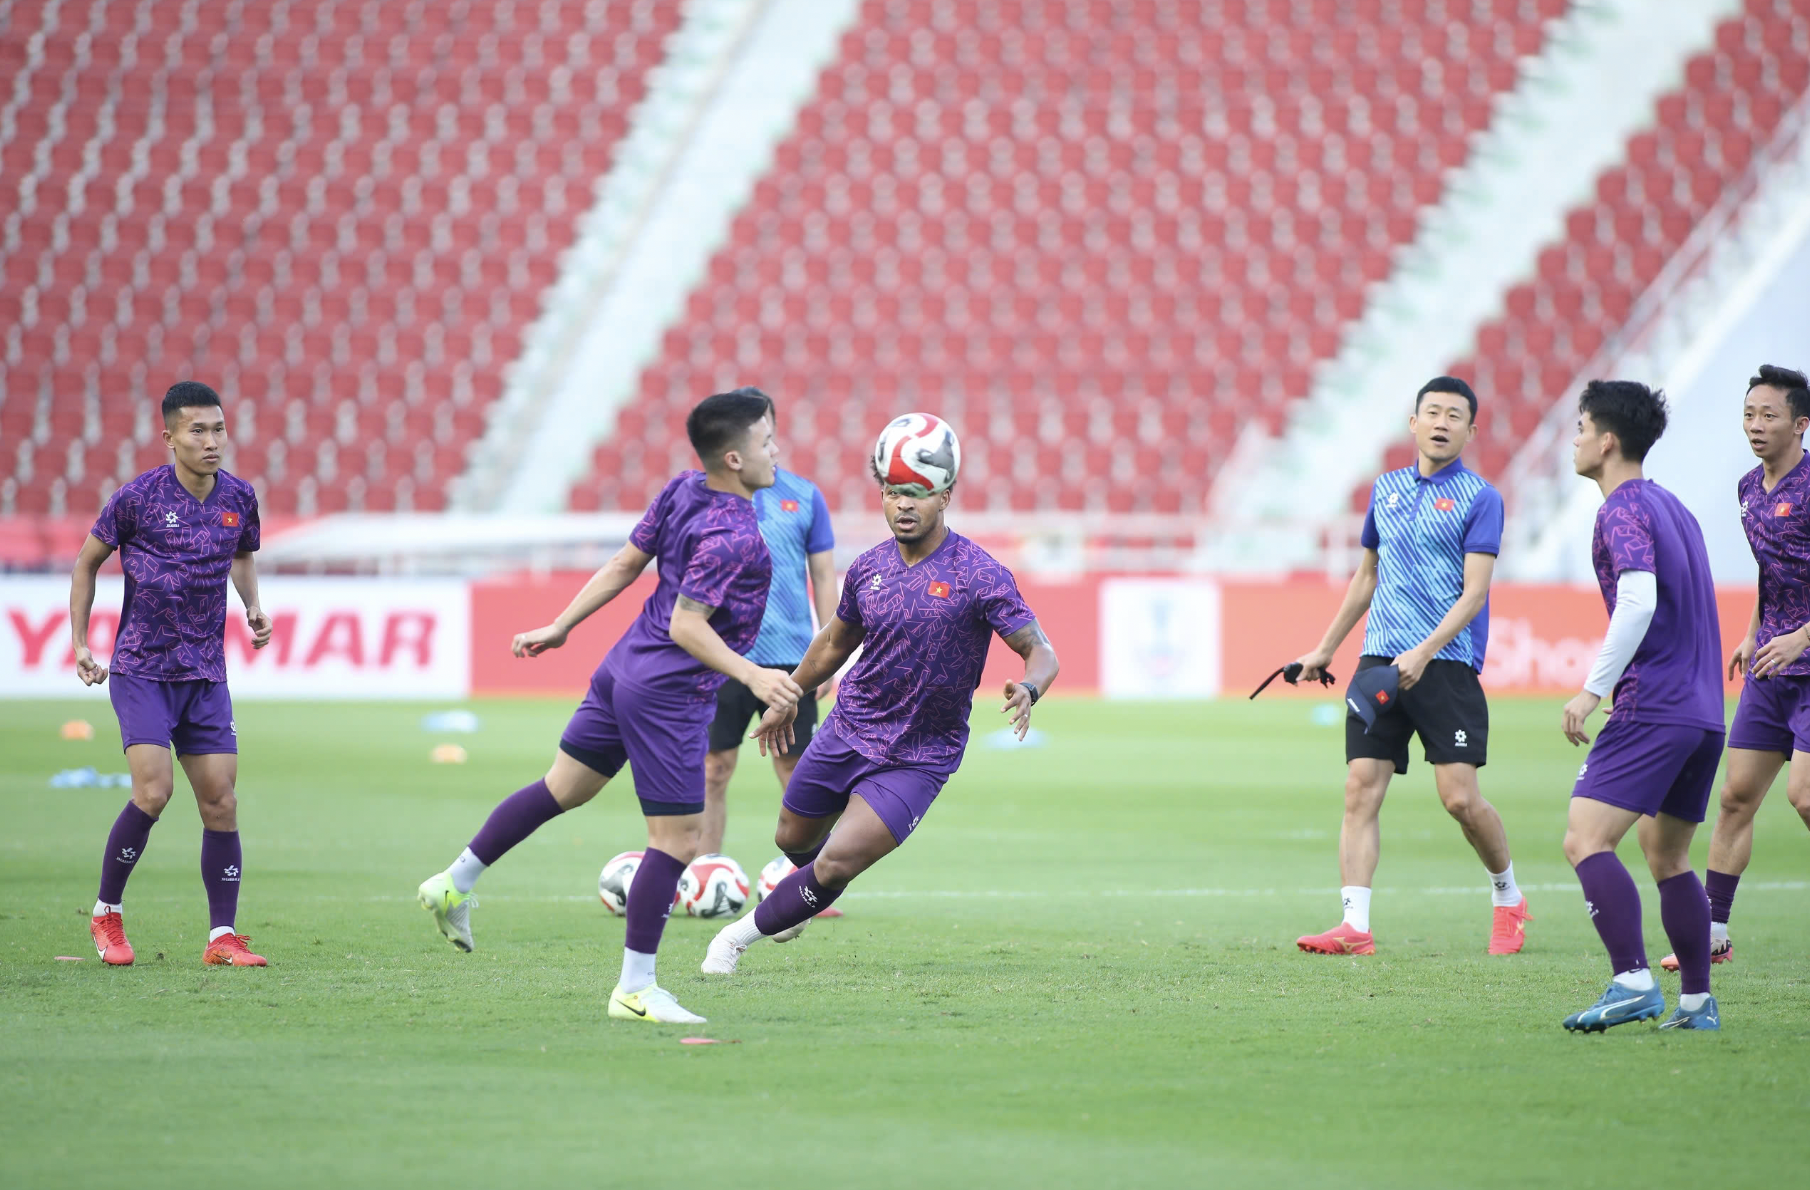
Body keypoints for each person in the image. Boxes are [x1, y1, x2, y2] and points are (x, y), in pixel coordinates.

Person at [416, 390, 800, 1025]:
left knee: (561, 787)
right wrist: (755, 677)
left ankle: (454, 881)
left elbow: (626, 564)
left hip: (623, 670)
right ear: (734, 457)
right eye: (766, 441)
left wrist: (560, 625)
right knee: (677, 840)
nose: (775, 450)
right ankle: (636, 988)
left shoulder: (682, 489)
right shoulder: (734, 536)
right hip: (668, 694)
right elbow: (687, 625)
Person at [699, 438, 1059, 975]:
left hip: (921, 755)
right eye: (893, 493)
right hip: (849, 730)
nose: (903, 505)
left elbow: (1040, 650)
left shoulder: (979, 574)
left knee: (838, 860)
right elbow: (832, 644)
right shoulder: (869, 569)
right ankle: (802, 896)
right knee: (791, 838)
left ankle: (732, 940)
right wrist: (788, 695)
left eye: (917, 493)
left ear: (945, 497)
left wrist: (1029, 689)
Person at [1291, 376, 1529, 956]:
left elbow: (1474, 594)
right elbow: (1367, 575)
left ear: (1471, 431)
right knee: (1359, 788)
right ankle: (1355, 925)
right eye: (1433, 412)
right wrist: (1325, 648)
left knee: (1460, 799)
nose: (1443, 422)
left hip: (1444, 664)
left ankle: (1508, 899)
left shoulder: (1481, 498)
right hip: (1379, 663)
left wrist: (1423, 651)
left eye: (1455, 415)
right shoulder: (1387, 489)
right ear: (1413, 422)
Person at [72, 381, 273, 968]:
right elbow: (86, 563)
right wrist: (81, 642)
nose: (212, 442)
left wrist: (251, 605)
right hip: (142, 669)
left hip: (206, 673)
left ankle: (222, 938)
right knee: (154, 792)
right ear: (169, 437)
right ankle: (106, 912)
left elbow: (241, 553)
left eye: (218, 429)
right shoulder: (136, 500)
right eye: (197, 431)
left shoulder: (240, 496)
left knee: (221, 803)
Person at [1558, 380, 1723, 1032]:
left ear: (1608, 440)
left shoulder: (1620, 508)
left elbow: (1639, 599)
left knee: (1584, 838)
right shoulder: (1674, 508)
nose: (1572, 440)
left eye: (1580, 427)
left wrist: (1594, 687)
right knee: (1669, 856)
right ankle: (1696, 1003)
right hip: (1705, 711)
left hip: (1653, 704)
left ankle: (1631, 979)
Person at [1661, 365, 1810, 972]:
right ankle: (1713, 933)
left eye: (1769, 415)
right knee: (1734, 798)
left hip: (1804, 657)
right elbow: (1772, 568)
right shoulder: (1749, 487)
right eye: (1749, 414)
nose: (1755, 425)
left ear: (1800, 424)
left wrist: (1802, 636)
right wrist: (1754, 632)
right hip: (1771, 667)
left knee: (1804, 795)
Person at [702, 392, 838, 863]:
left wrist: (829, 658)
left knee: (796, 772)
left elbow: (823, 576)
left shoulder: (804, 496)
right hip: (723, 656)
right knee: (713, 769)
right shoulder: (707, 497)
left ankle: (810, 883)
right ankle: (701, 874)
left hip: (791, 660)